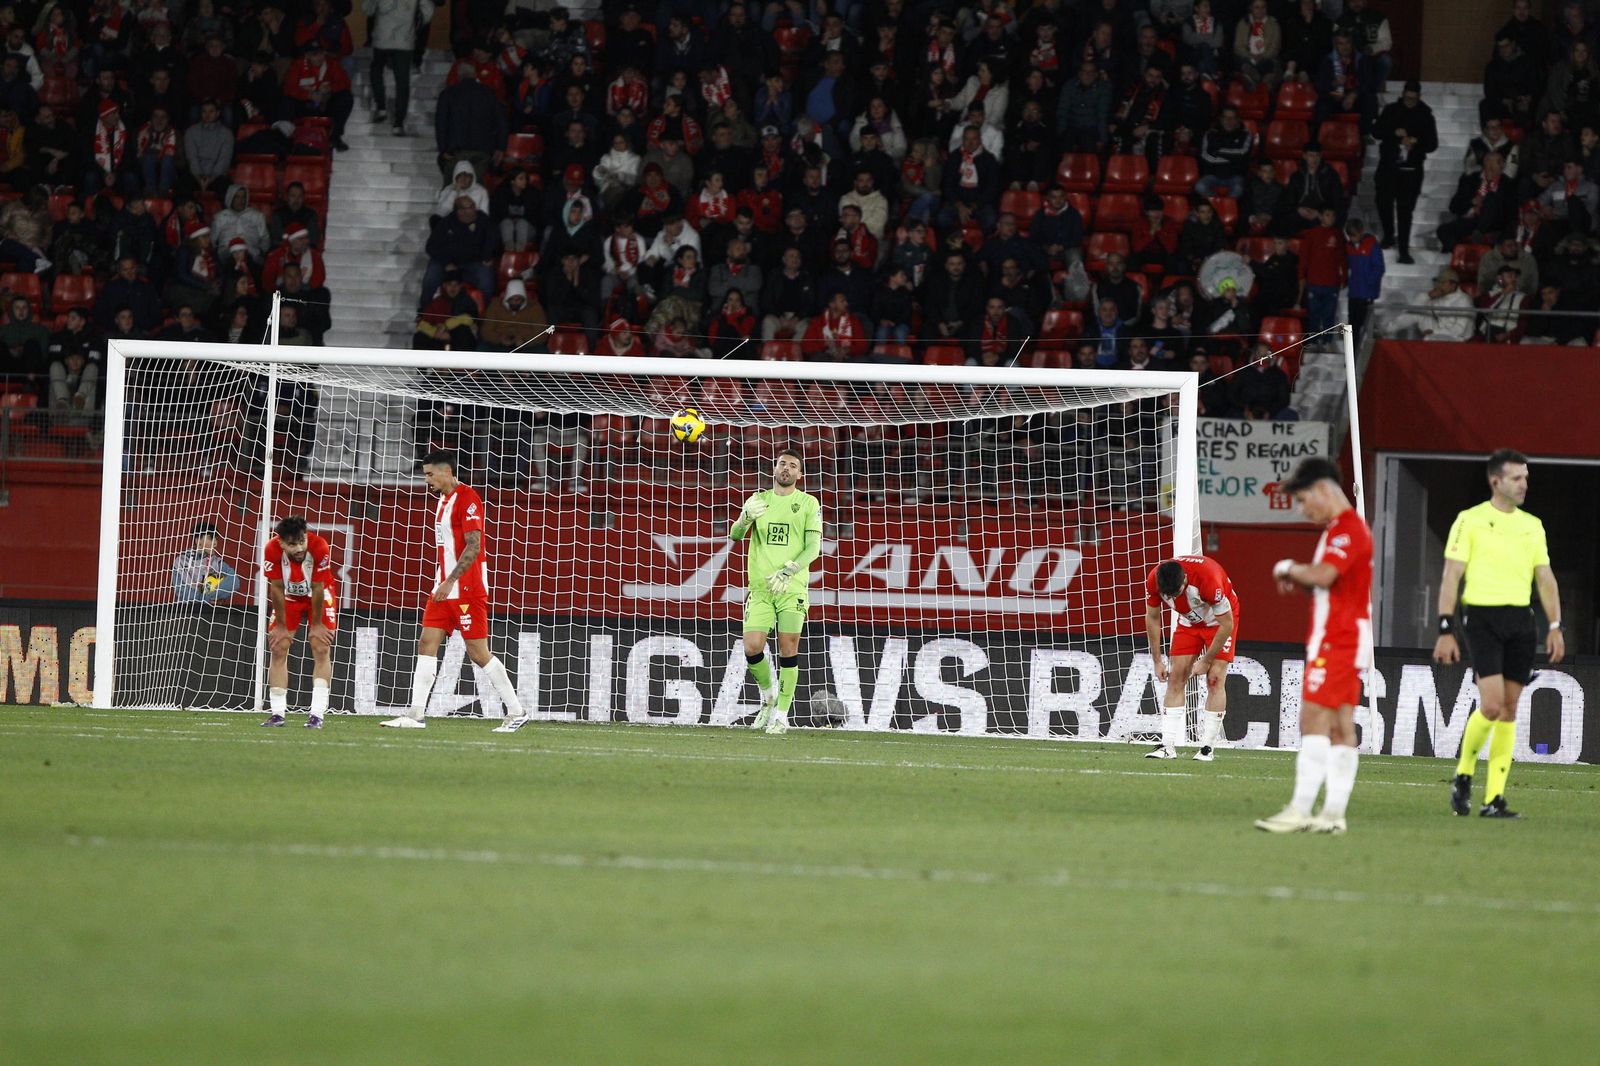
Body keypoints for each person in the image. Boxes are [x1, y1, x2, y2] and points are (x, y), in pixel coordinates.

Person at [1434, 449, 1564, 819]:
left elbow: (1545, 578)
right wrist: (1446, 626)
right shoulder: (1470, 520)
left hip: (1522, 622)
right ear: (1496, 481)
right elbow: (1451, 576)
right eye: (1517, 478)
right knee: (1491, 706)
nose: (1524, 484)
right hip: (1482, 619)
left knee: (1509, 711)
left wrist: (1555, 625)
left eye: (1526, 478)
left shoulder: (1532, 525)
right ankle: (1463, 774)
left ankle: (1494, 800)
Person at [1256, 456, 1373, 834]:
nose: (1304, 510)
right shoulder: (1342, 529)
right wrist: (1301, 579)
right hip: (1343, 634)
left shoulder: (1347, 530)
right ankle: (1333, 814)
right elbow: (1328, 581)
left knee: (1313, 719)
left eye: (1305, 500)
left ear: (1324, 490)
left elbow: (1324, 574)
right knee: (1340, 725)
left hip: (1337, 637)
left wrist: (1288, 567)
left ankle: (1300, 809)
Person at [382, 451, 532, 732]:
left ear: (447, 472)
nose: (426, 480)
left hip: (465, 588)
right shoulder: (442, 501)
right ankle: (415, 715)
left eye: (430, 474)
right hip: (443, 588)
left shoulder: (468, 499)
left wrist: (450, 580)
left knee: (478, 653)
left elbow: (474, 546)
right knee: (427, 642)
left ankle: (516, 711)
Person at [730, 448, 823, 735]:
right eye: (782, 463)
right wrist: (745, 518)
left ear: (800, 474)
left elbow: (813, 548)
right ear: (774, 468)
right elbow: (735, 535)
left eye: (792, 465)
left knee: (788, 649)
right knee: (752, 646)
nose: (786, 468)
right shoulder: (758, 500)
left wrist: (790, 569)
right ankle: (769, 697)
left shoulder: (808, 503)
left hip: (790, 586)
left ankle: (782, 715)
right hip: (760, 588)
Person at [1143, 556, 1239, 762]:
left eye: (1176, 593)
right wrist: (1157, 660)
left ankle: (1207, 748)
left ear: (1185, 579)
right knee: (1176, 677)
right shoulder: (1154, 579)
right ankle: (1167, 746)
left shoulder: (1209, 580)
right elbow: (1152, 617)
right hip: (1189, 622)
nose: (1172, 598)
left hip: (1220, 623)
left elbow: (1227, 625)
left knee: (1214, 678)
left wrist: (1206, 660)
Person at [260, 516, 336, 728]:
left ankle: (317, 715)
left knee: (321, 647)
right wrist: (282, 627)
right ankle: (277, 714)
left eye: (301, 541)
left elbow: (319, 588)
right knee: (278, 647)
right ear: (282, 542)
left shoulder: (319, 546)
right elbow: (276, 587)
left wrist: (318, 624)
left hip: (318, 596)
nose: (299, 547)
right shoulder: (271, 550)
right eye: (292, 544)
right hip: (289, 598)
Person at [1373, 81, 1437, 265]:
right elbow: (1376, 131)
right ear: (1402, 94)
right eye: (1407, 98)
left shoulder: (1425, 115)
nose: (1410, 102)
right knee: (1383, 202)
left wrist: (1415, 142)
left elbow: (1432, 144)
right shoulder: (1391, 110)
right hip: (1388, 167)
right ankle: (1388, 234)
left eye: (1413, 99)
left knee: (1405, 210)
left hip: (1411, 170)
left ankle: (1403, 249)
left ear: (1419, 97)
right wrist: (1393, 132)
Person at [364, 0, 434, 135]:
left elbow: (367, 9)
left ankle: (382, 107)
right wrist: (417, 25)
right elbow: (428, 9)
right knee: (402, 82)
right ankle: (398, 122)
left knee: (376, 70)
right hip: (404, 40)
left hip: (382, 38)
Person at [1383, 267, 1475, 341]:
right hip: (1438, 334)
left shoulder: (1464, 300)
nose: (1439, 286)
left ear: (1453, 285)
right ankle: (1388, 329)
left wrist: (1434, 331)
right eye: (1438, 283)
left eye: (1443, 283)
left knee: (1431, 339)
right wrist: (1427, 296)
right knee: (1419, 312)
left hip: (1458, 339)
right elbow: (1416, 308)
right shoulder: (1440, 296)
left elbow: (1459, 330)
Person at [171, 521, 240, 602]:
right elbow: (183, 593)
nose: (215, 543)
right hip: (186, 611)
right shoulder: (180, 562)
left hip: (210, 611)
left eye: (216, 539)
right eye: (211, 538)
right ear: (198, 540)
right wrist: (207, 598)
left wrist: (211, 595)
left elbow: (235, 582)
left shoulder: (216, 563)